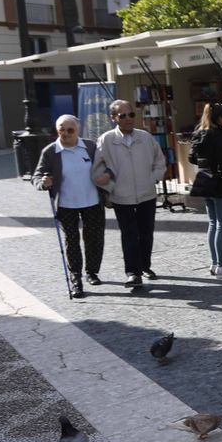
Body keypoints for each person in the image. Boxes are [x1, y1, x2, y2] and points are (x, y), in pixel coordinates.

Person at [92, 99, 167, 288]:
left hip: (146, 194)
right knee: (129, 235)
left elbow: (160, 161)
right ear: (113, 118)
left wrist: (153, 178)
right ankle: (133, 272)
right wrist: (109, 184)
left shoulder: (145, 137)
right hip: (121, 196)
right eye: (122, 115)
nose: (128, 119)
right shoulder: (106, 139)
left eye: (131, 114)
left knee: (146, 234)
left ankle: (145, 266)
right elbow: (97, 169)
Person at [33, 114, 104, 298]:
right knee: (71, 243)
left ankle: (92, 272)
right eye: (61, 130)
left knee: (94, 238)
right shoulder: (50, 151)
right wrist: (43, 182)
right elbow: (37, 176)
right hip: (66, 204)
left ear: (77, 130)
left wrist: (107, 178)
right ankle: (76, 278)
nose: (65, 133)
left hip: (92, 201)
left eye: (69, 130)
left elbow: (104, 167)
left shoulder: (90, 147)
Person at [187, 101, 222, 277]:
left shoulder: (200, 132)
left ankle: (215, 264)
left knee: (213, 224)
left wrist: (206, 164)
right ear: (221, 119)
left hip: (205, 182)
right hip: (221, 184)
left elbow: (192, 157)